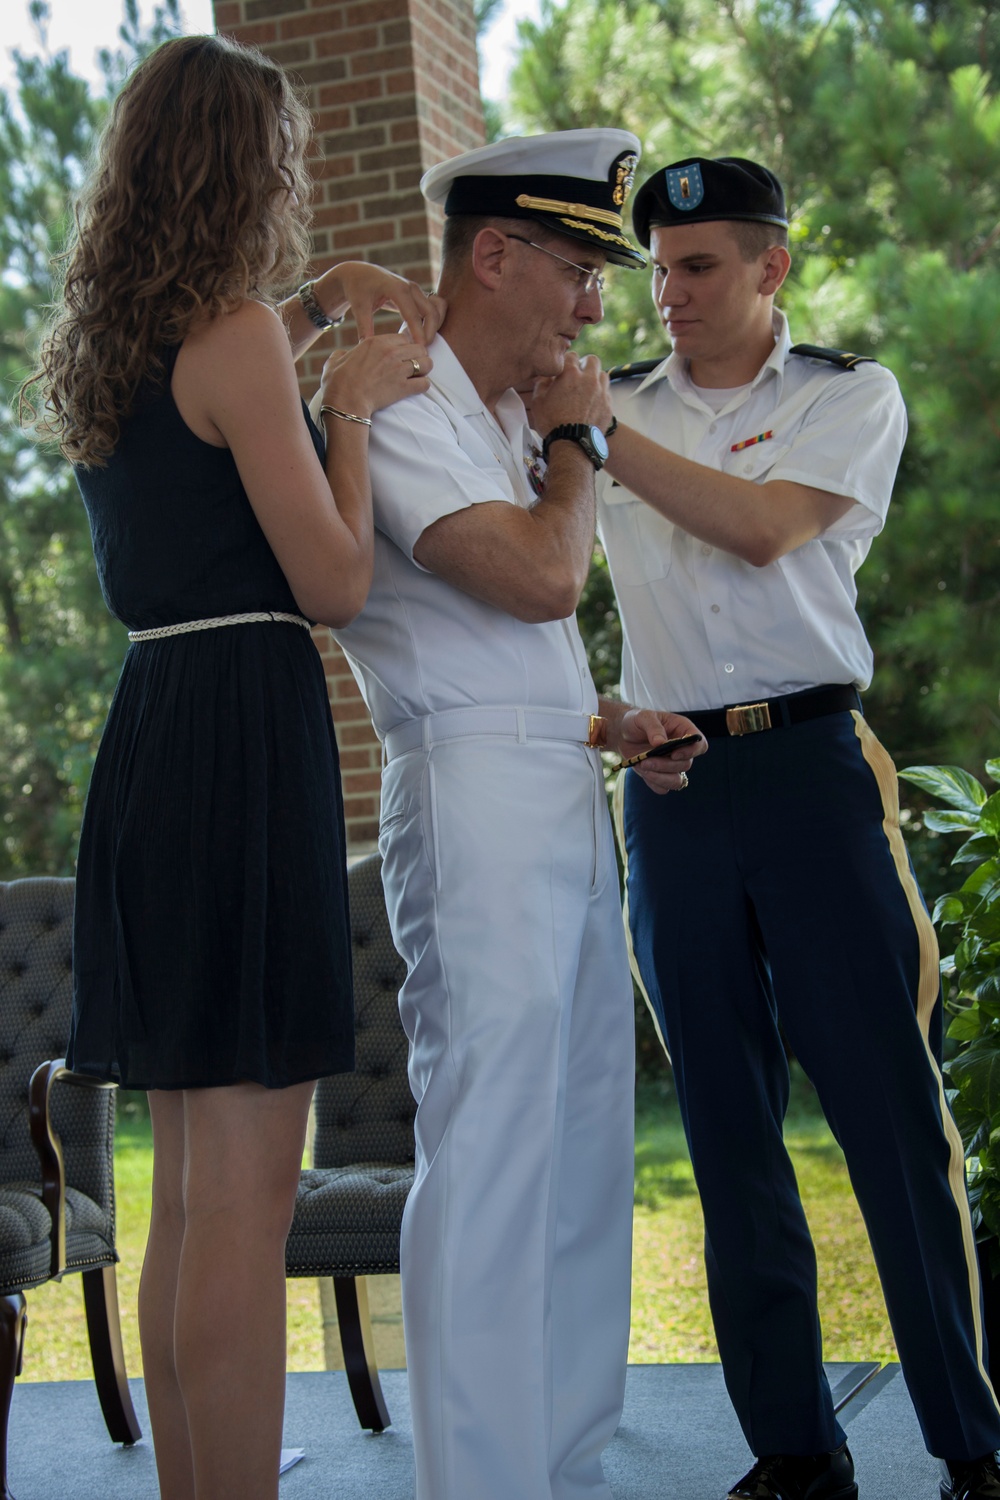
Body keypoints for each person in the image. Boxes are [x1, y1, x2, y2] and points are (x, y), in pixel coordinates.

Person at [23, 34, 442, 1500]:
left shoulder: (117, 339)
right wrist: (351, 405)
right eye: (283, 156)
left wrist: (316, 312)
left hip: (151, 735)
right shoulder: (240, 336)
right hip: (242, 737)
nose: (298, 179)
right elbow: (333, 581)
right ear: (240, 165)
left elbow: (214, 450)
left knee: (190, 1193)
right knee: (249, 1200)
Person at [595, 154, 1000, 1500]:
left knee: (891, 1115)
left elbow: (765, 531)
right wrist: (612, 721)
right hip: (674, 799)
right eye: (656, 269)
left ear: (772, 268)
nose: (669, 295)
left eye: (699, 267)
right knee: (724, 1126)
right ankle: (793, 1453)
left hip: (817, 774)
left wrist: (593, 435)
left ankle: (972, 1444)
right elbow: (541, 599)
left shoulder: (845, 394)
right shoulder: (619, 410)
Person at [328, 129, 705, 1500]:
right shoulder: (410, 406)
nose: (597, 307)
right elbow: (543, 581)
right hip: (472, 800)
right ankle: (481, 1477)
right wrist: (577, 439)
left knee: (584, 1123)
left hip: (559, 777)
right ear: (496, 255)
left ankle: (562, 1454)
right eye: (580, 271)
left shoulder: (496, 419)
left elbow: (539, 643)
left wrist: (617, 726)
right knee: (490, 1133)